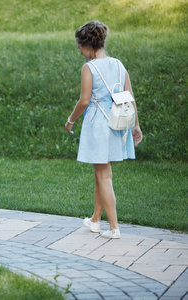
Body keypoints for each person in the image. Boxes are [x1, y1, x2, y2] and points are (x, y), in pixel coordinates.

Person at [65, 21, 143, 239]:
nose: (79, 51)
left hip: (99, 126)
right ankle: (96, 220)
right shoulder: (118, 65)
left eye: (79, 46)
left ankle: (114, 228)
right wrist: (136, 125)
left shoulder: (89, 68)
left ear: (86, 44)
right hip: (118, 124)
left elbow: (84, 101)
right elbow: (130, 96)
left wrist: (70, 120)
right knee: (100, 173)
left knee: (104, 175)